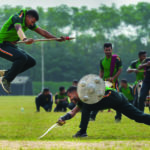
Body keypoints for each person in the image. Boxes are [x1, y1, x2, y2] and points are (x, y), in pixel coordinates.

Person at [0, 9, 66, 94]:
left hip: (10, 46)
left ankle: (6, 73)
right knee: (21, 58)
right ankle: (6, 80)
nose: (32, 24)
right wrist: (25, 39)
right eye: (32, 21)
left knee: (31, 62)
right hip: (1, 45)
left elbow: (43, 32)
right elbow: (19, 29)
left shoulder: (29, 23)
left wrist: (56, 39)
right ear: (27, 17)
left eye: (33, 23)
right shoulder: (17, 18)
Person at [58, 85, 150, 137]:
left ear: (75, 92)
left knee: (87, 106)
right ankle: (82, 132)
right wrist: (63, 118)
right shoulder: (82, 100)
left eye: (70, 96)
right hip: (118, 98)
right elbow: (73, 112)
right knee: (137, 116)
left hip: (111, 95)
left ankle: (82, 132)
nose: (71, 99)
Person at [100, 43, 122, 121]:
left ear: (111, 50)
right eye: (106, 50)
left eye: (109, 50)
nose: (108, 51)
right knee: (98, 97)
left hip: (114, 82)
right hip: (105, 83)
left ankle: (118, 117)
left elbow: (120, 70)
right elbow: (101, 72)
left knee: (117, 99)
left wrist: (113, 78)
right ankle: (92, 117)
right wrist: (99, 80)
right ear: (104, 50)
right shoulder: (102, 61)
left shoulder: (116, 59)